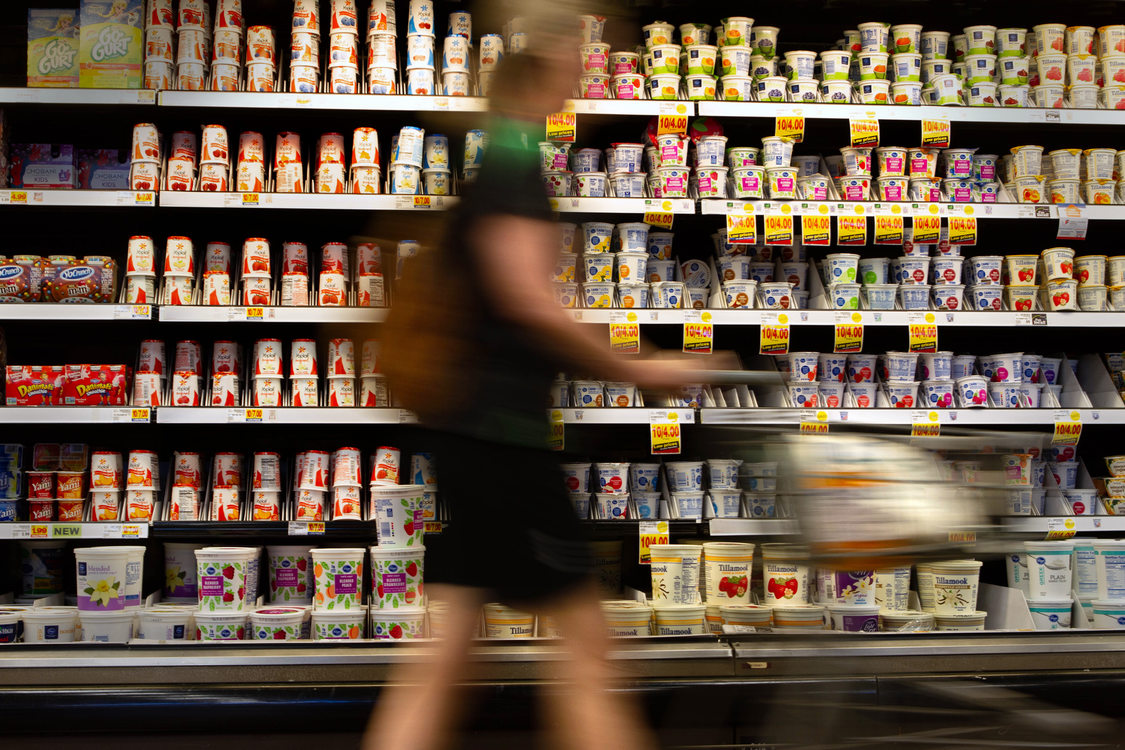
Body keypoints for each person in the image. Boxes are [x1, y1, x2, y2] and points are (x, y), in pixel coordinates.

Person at [366, 25, 704, 750]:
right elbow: (527, 301)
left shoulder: (499, 166)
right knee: (586, 647)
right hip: (504, 440)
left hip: (466, 433)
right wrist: (639, 366)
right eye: (573, 66)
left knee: (446, 647)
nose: (583, 79)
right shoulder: (516, 169)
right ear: (540, 79)